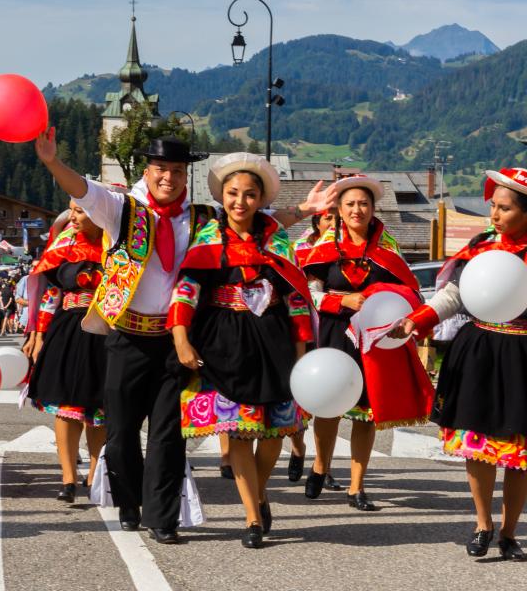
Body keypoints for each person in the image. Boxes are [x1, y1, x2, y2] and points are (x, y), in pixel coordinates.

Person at [35, 130, 335, 545]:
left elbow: (254, 227)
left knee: (169, 435)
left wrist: (305, 209)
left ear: (185, 176)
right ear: (148, 170)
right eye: (161, 169)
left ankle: (163, 517)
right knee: (120, 432)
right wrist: (52, 162)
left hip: (177, 341)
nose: (168, 178)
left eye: (177, 171)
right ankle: (128, 501)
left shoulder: (201, 217)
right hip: (127, 335)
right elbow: (82, 191)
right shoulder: (123, 209)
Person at [168, 153, 313, 548]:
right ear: (223, 196)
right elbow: (187, 290)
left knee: (275, 432)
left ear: (261, 199)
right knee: (241, 431)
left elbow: (296, 300)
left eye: (250, 195)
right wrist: (181, 337)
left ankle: (260, 491)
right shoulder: (208, 239)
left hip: (274, 342)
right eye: (233, 193)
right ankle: (251, 516)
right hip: (223, 342)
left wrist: (302, 355)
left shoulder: (279, 241)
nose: (240, 202)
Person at [391, 167, 527, 560]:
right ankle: (483, 524)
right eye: (493, 208)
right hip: (481, 351)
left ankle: (509, 532)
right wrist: (416, 321)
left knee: (519, 455)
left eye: (504, 209)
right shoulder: (482, 247)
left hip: (522, 356)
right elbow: (453, 295)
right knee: (480, 446)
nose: (495, 216)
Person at [301, 175, 434, 511]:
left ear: (374, 209)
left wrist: (387, 302)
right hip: (334, 332)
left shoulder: (388, 250)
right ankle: (321, 465)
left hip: (373, 338)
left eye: (363, 204)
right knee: (329, 405)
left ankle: (356, 487)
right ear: (339, 211)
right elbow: (307, 294)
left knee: (366, 414)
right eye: (350, 205)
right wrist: (341, 302)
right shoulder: (324, 249)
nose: (357, 210)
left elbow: (411, 291)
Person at [24, 200, 107, 503]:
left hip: (107, 331)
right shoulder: (65, 244)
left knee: (100, 409)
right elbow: (52, 292)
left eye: (80, 211)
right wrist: (39, 333)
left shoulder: (118, 246)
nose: (72, 216)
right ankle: (68, 477)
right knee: (67, 404)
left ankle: (97, 474)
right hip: (70, 329)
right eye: (72, 210)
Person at [288, 208, 342, 487]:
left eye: (336, 217)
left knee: (328, 401)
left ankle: (325, 467)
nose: (333, 222)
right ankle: (298, 448)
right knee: (297, 397)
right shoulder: (299, 248)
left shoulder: (344, 247)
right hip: (302, 328)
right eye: (327, 218)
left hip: (331, 329)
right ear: (316, 222)